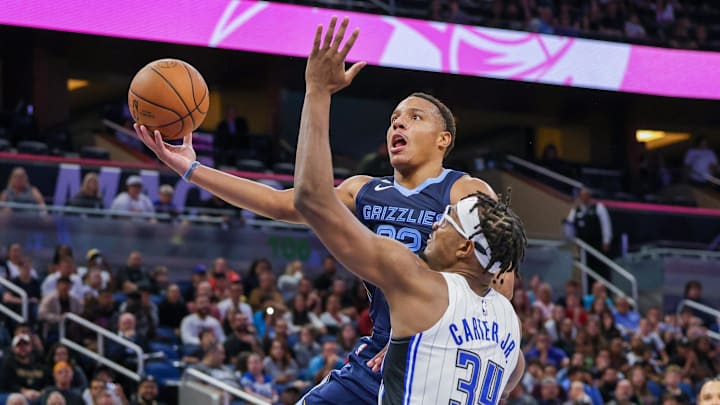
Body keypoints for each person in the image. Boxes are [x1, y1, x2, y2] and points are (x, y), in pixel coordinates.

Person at [132, 16, 514, 405]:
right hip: (377, 354)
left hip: (433, 348)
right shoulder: (364, 190)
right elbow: (280, 202)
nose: (399, 121)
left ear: (443, 139)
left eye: (415, 117)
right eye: (394, 118)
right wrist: (192, 169)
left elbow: (496, 278)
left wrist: (429, 335)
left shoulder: (465, 190)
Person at [292, 17, 525, 404]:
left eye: (448, 222)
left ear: (467, 247)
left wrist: (317, 91)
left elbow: (313, 198)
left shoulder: (417, 279)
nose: (438, 226)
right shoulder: (507, 327)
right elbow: (513, 370)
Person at [565, 188, 612, 284]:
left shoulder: (598, 207)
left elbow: (606, 225)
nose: (585, 198)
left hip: (598, 246)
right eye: (582, 196)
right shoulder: (575, 211)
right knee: (586, 272)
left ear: (590, 196)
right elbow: (569, 227)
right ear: (580, 197)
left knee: (600, 270)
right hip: (583, 247)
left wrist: (606, 241)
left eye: (587, 195)